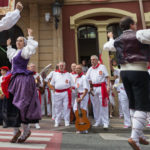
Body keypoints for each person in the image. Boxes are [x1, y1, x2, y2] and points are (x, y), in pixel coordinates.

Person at [103, 16, 150, 150]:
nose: (136, 26)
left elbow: (106, 46)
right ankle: (135, 137)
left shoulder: (117, 40)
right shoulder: (139, 34)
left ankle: (139, 134)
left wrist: (111, 37)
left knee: (134, 105)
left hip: (124, 73)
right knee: (143, 106)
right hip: (139, 71)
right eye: (134, 24)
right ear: (131, 25)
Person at [2, 28, 41, 143]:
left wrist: (30, 37)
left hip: (23, 81)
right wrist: (8, 46)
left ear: (24, 43)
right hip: (14, 79)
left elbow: (31, 48)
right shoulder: (15, 53)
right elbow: (10, 55)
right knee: (12, 104)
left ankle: (26, 131)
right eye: (17, 41)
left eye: (20, 41)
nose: (18, 42)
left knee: (21, 105)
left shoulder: (24, 52)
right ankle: (16, 131)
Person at [86, 55, 110, 129]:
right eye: (91, 60)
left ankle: (105, 122)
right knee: (95, 105)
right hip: (93, 88)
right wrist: (89, 87)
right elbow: (87, 79)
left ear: (97, 60)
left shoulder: (102, 67)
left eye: (93, 59)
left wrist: (108, 86)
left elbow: (107, 77)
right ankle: (97, 121)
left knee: (103, 105)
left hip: (101, 87)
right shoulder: (90, 69)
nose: (92, 61)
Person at [50, 62, 74, 127]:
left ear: (64, 66)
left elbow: (72, 84)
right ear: (58, 66)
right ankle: (57, 121)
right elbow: (51, 84)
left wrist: (70, 89)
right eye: (60, 65)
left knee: (66, 107)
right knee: (58, 107)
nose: (61, 67)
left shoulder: (68, 74)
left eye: (62, 66)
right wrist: (54, 91)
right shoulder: (55, 74)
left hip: (66, 93)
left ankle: (67, 121)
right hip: (57, 93)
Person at [73, 65, 90, 134]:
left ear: (81, 70)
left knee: (83, 111)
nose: (77, 70)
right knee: (75, 110)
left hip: (83, 96)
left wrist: (81, 98)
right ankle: (80, 126)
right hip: (78, 96)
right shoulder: (76, 78)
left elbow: (86, 89)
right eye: (76, 69)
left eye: (78, 68)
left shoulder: (84, 78)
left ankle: (85, 128)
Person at [28, 63, 43, 129]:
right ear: (29, 68)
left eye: (34, 67)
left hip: (36, 92)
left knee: (36, 108)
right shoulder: (26, 75)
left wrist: (39, 81)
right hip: (28, 93)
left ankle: (36, 123)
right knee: (28, 108)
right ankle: (27, 123)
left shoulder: (38, 75)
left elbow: (41, 85)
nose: (33, 68)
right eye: (31, 67)